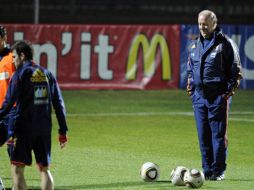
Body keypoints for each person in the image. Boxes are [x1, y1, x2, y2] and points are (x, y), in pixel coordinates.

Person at [0, 40, 68, 190]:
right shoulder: (47, 74)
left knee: (17, 169)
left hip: (23, 128)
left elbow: (9, 102)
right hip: (43, 129)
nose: (13, 60)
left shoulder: (20, 74)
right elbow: (59, 104)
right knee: (44, 169)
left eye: (15, 57)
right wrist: (63, 131)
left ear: (22, 56)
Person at [186, 10, 242, 181]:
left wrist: (226, 93)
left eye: (205, 24)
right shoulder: (195, 44)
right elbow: (190, 68)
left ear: (214, 24)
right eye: (200, 23)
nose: (202, 27)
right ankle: (207, 170)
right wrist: (191, 88)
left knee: (218, 136)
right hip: (199, 98)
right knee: (203, 136)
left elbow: (236, 71)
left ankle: (218, 170)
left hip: (218, 97)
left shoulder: (225, 44)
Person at [0, 25, 16, 190]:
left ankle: (17, 185)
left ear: (4, 38)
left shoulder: (13, 58)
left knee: (13, 151)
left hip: (13, 111)